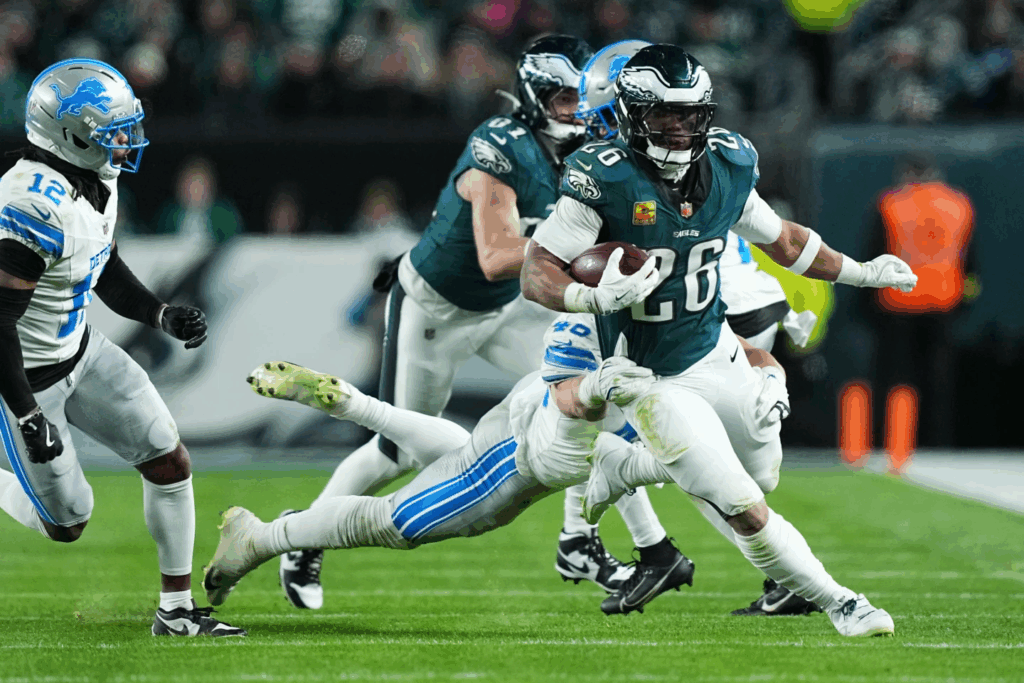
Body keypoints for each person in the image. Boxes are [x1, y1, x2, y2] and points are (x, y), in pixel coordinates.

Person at [520, 44, 918, 635]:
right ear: (632, 114)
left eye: (690, 115)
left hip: (715, 351)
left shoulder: (729, 162)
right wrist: (590, 297)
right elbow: (537, 271)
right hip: (650, 376)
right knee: (740, 504)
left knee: (763, 478)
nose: (680, 129)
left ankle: (623, 466)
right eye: (664, 114)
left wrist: (862, 271)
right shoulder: (603, 176)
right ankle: (844, 604)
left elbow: (784, 240)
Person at [275, 36, 667, 611]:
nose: (575, 111)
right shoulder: (501, 144)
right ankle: (305, 536)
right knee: (399, 453)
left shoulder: (587, 149)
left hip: (506, 309)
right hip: (439, 307)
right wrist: (576, 246)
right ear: (534, 97)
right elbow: (495, 255)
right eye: (561, 98)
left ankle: (582, 541)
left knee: (583, 398)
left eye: (579, 98)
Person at [204, 311, 700, 616]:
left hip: (528, 400)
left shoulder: (606, 322)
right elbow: (632, 464)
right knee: (388, 522)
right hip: (518, 460)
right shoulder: (660, 384)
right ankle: (259, 538)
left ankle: (358, 405)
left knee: (462, 452)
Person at [0, 59, 245, 638]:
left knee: (168, 458)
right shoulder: (29, 204)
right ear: (70, 134)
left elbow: (101, 260)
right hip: (26, 376)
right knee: (68, 522)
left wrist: (159, 313)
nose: (125, 141)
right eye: (112, 131)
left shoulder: (92, 177)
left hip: (81, 350)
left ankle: (176, 612)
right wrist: (28, 416)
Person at [865, 152, 977, 449]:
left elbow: (874, 254)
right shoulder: (959, 204)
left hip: (896, 302)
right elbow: (971, 262)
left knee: (895, 380)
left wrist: (865, 306)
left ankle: (893, 442)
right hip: (944, 302)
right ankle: (937, 444)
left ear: (908, 173)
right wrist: (966, 302)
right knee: (938, 382)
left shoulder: (891, 204)